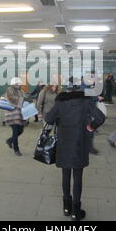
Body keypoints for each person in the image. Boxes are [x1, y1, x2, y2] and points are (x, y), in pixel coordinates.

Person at [45, 87, 106, 221]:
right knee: (78, 178)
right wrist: (91, 126)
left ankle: (66, 208)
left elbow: (48, 119)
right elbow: (101, 117)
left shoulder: (61, 102)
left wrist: (59, 118)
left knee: (65, 175)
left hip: (64, 144)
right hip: (79, 144)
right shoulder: (86, 102)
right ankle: (75, 212)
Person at [4, 77, 26, 156]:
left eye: (19, 83)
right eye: (17, 83)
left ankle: (10, 141)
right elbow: (11, 99)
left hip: (19, 115)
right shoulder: (10, 90)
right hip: (12, 115)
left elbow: (24, 98)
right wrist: (23, 99)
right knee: (15, 131)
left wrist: (26, 99)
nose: (19, 84)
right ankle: (16, 149)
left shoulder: (21, 90)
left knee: (20, 130)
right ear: (14, 83)